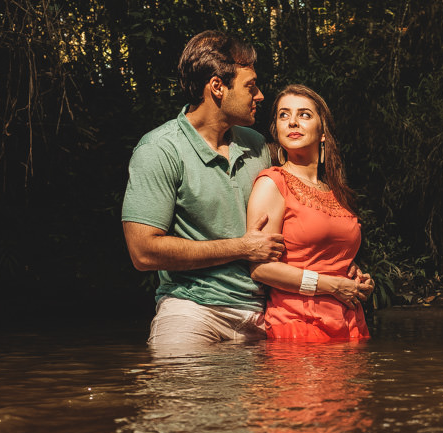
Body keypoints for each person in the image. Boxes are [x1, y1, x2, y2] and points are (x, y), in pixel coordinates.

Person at [121, 30, 282, 348]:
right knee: (179, 376)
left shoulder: (257, 145)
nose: (260, 95)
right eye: (250, 86)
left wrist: (338, 270)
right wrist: (242, 248)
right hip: (191, 310)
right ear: (217, 87)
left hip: (264, 312)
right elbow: (142, 252)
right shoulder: (160, 149)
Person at [245, 85, 371, 341]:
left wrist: (359, 280)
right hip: (298, 321)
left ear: (323, 132)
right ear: (276, 129)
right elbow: (261, 269)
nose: (292, 121)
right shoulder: (272, 183)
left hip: (349, 321)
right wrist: (331, 285)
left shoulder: (337, 191)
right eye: (283, 115)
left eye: (304, 114)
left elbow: (333, 257)